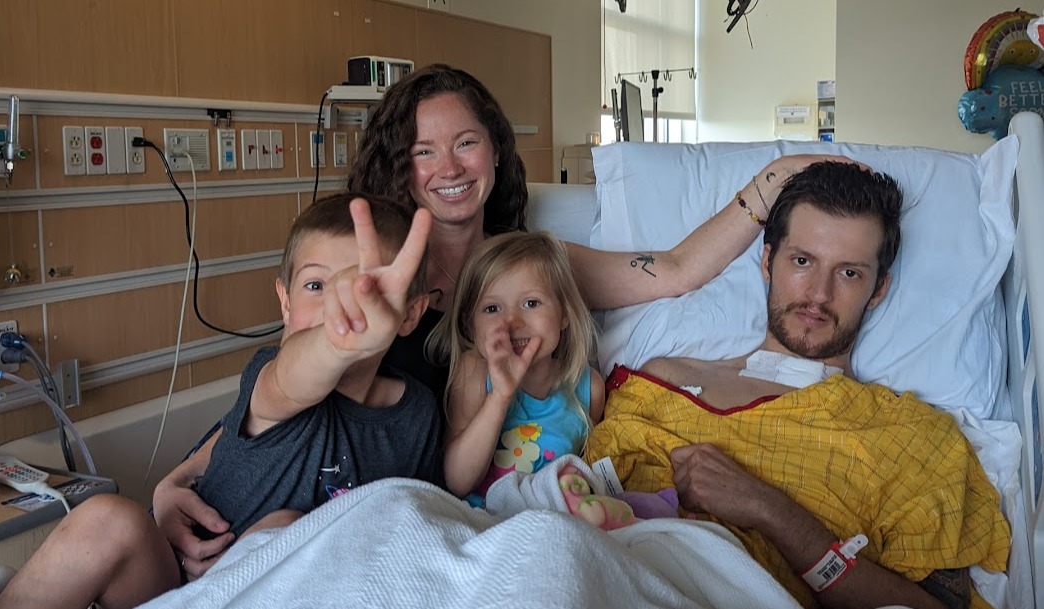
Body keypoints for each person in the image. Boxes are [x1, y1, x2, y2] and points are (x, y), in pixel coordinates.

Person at [154, 61, 857, 578]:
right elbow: (289, 389)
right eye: (423, 150)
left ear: (494, 149)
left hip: (436, 523)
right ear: (399, 167)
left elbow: (674, 269)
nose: (448, 166)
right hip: (323, 517)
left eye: (465, 141)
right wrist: (179, 476)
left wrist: (771, 181)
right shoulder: (370, 271)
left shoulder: (535, 266)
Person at [584, 161, 1011, 609]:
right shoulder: (658, 383)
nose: (819, 294)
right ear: (768, 262)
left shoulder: (912, 439)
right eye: (803, 261)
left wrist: (771, 511)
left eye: (849, 273)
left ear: (879, 289)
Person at [0, 193, 440, 609]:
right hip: (177, 583)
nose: (336, 310)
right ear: (284, 301)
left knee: (289, 530)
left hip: (287, 590)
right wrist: (338, 343)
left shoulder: (417, 413)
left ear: (410, 313)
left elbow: (415, 525)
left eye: (362, 289)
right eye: (315, 286)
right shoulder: (273, 381)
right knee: (105, 520)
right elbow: (294, 378)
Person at [429, 231, 604, 505]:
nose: (511, 322)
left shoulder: (589, 388)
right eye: (492, 309)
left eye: (531, 303)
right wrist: (500, 397)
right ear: (469, 324)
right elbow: (457, 482)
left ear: (564, 314)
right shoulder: (474, 372)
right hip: (484, 521)